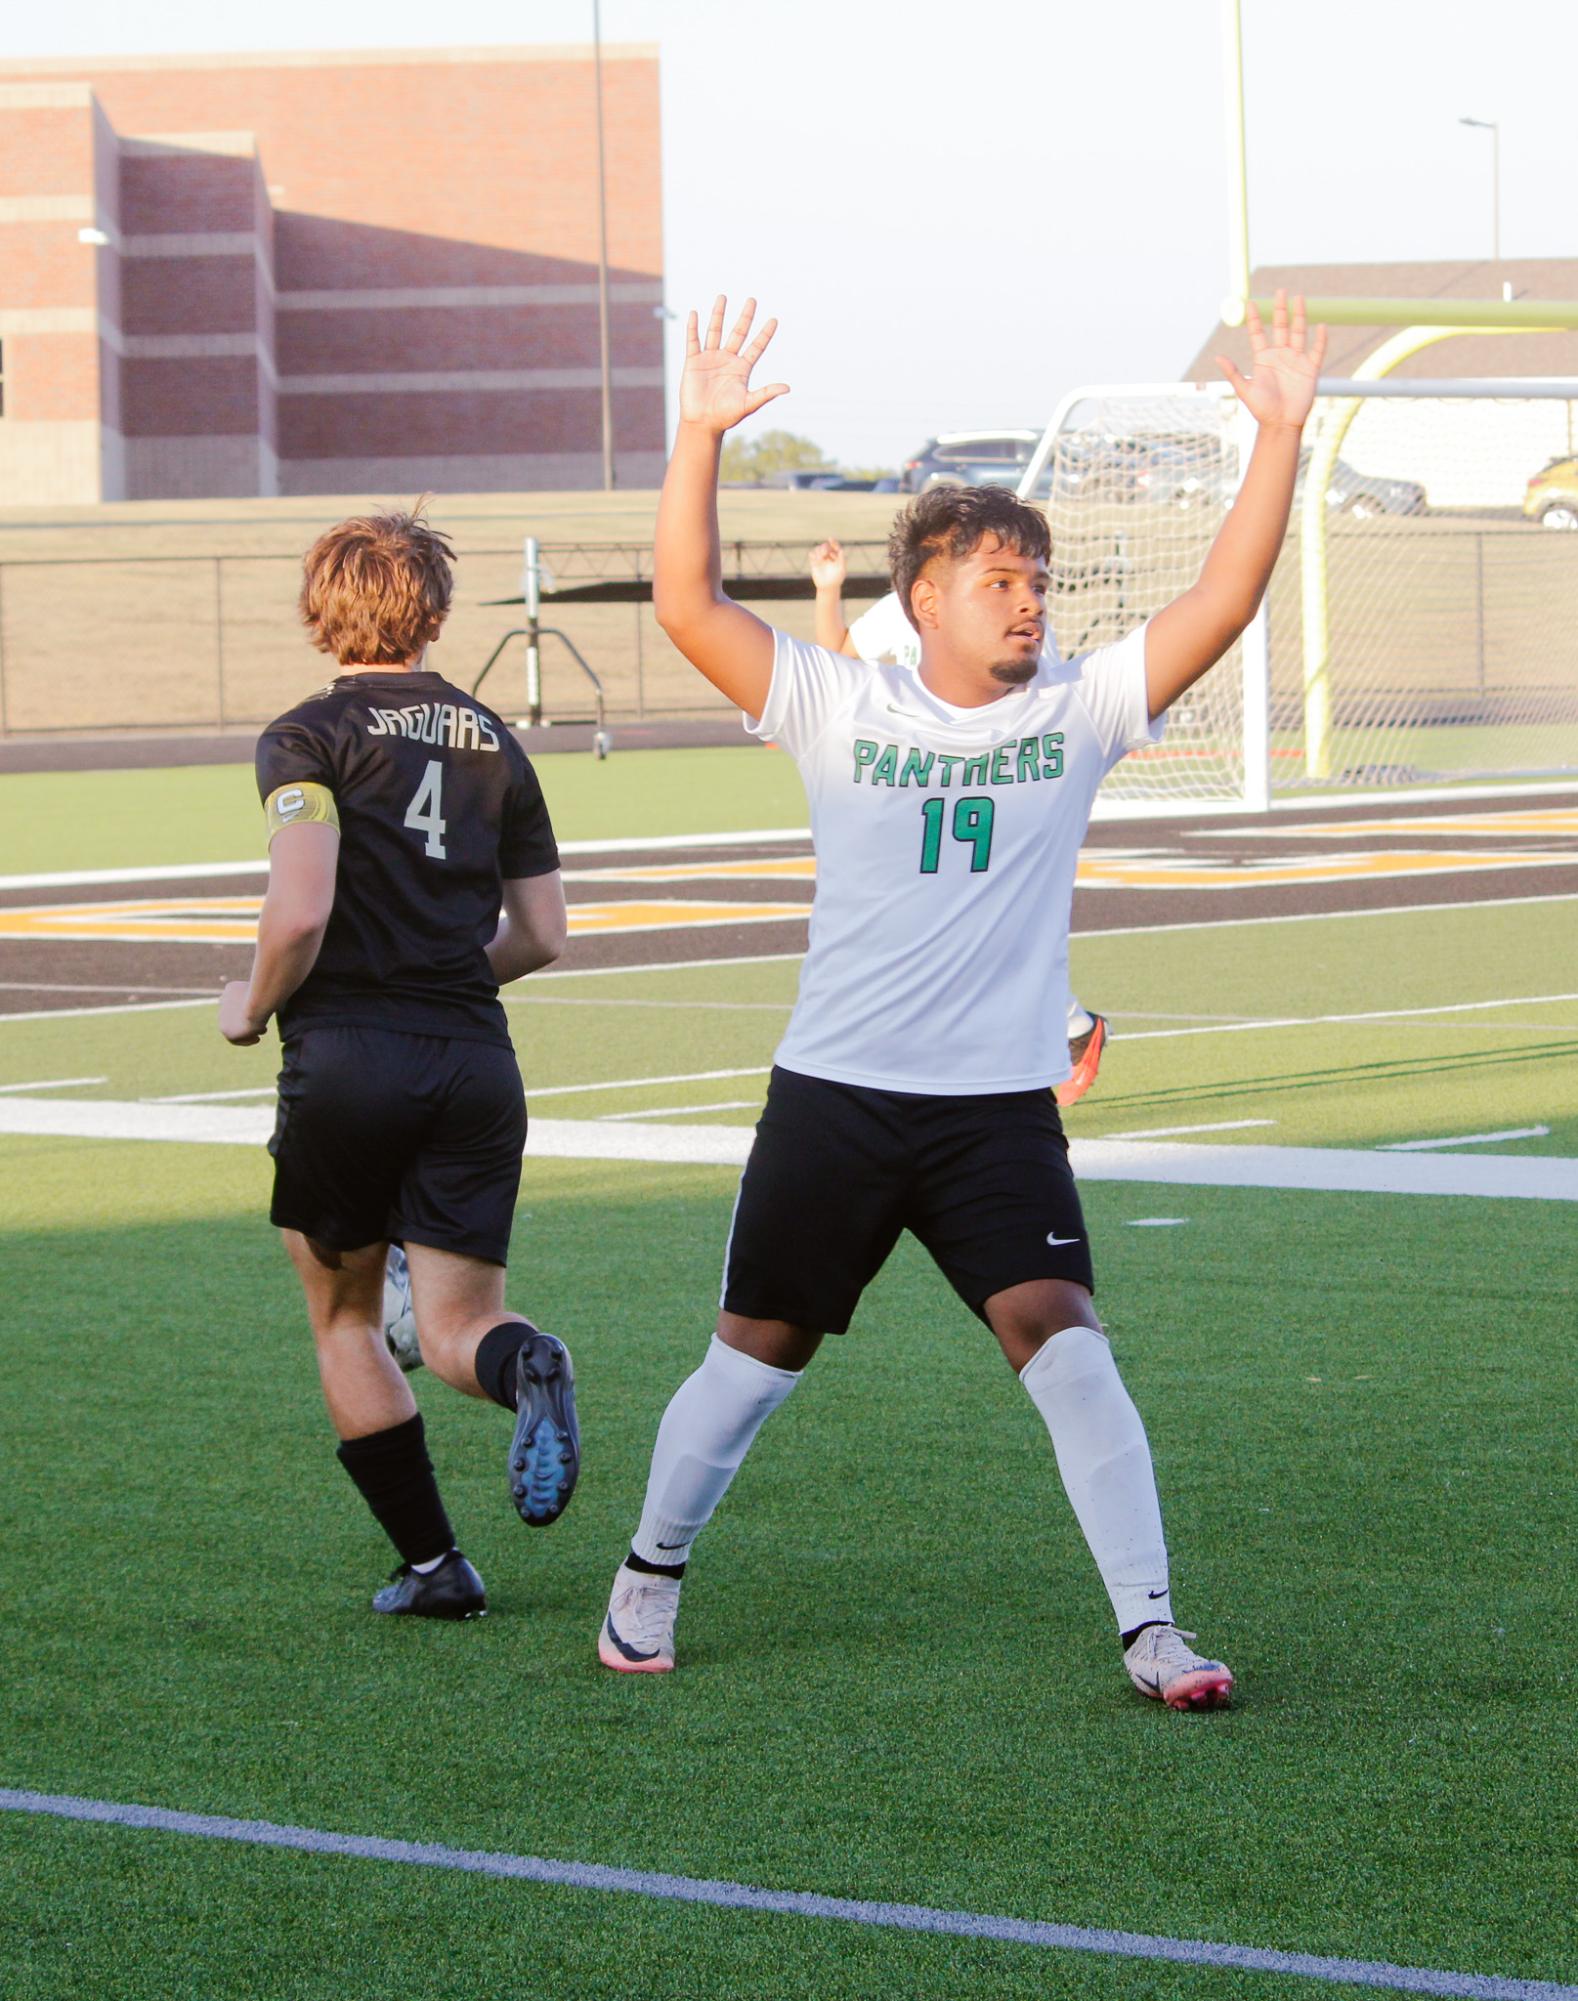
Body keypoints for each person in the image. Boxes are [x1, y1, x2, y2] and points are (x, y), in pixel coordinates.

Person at [599, 290, 1325, 1706]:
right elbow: (686, 603)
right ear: (921, 597)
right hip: (838, 1096)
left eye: (1037, 580)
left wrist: (1279, 434)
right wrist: (696, 432)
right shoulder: (833, 702)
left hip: (993, 1113)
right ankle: (648, 1574)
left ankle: (1150, 1629)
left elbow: (1223, 601)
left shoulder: (1078, 711)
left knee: (1066, 1339)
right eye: (999, 580)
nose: (1028, 599)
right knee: (755, 1356)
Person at [221, 507, 580, 1622]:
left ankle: (434, 1566)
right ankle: (529, 1367)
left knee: (343, 1316)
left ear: (320, 605)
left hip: (347, 1061)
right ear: (432, 609)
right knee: (462, 1326)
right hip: (476, 1057)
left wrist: (249, 1006)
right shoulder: (494, 742)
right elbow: (543, 934)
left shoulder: (307, 735)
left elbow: (300, 912)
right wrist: (445, 975)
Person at [808, 536, 1108, 1106]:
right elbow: (839, 659)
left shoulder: (1014, 626)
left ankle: (1066, 1027)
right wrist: (829, 591)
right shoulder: (903, 607)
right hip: (924, 779)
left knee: (989, 913)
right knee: (924, 913)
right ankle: (1066, 1025)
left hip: (998, 774)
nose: (1027, 599)